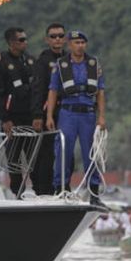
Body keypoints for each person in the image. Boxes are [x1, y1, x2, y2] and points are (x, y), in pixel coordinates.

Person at [45, 30, 106, 205]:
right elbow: (53, 91)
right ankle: (61, 189)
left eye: (82, 42)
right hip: (67, 113)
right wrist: (49, 115)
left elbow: (100, 92)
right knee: (63, 152)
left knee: (91, 154)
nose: (80, 46)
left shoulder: (94, 64)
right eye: (76, 42)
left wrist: (102, 117)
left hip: (87, 113)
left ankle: (94, 193)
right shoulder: (60, 65)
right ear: (69, 45)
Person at [0, 27, 35, 197]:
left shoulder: (31, 61)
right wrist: (5, 118)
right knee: (14, 159)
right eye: (21, 40)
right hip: (12, 120)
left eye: (25, 39)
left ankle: (38, 192)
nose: (25, 42)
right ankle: (17, 194)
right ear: (11, 43)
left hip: (31, 117)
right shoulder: (1, 62)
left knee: (33, 157)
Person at [30, 23, 67, 196]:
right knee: (46, 153)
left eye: (60, 36)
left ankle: (63, 187)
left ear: (65, 39)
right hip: (48, 112)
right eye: (53, 36)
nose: (57, 39)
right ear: (47, 40)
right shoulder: (43, 61)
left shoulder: (69, 58)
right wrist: (38, 115)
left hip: (67, 111)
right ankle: (43, 189)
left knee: (66, 150)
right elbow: (37, 89)